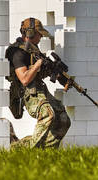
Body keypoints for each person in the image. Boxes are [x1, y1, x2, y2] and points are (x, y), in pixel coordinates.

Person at [5, 17, 71, 148]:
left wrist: (55, 72)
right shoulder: (17, 52)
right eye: (39, 33)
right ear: (30, 33)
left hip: (40, 89)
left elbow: (39, 73)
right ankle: (28, 150)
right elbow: (24, 79)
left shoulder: (34, 50)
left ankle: (47, 150)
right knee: (48, 114)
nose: (41, 37)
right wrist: (37, 65)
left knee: (63, 119)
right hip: (26, 93)